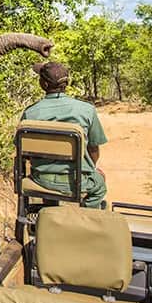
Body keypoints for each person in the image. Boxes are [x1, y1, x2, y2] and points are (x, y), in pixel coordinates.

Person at [21, 61, 107, 208]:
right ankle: (86, 217)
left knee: (49, 187)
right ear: (66, 84)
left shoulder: (30, 113)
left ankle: (50, 212)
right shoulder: (87, 110)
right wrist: (90, 169)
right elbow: (94, 150)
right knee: (100, 185)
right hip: (77, 180)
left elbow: (23, 152)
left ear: (44, 85)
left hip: (41, 179)